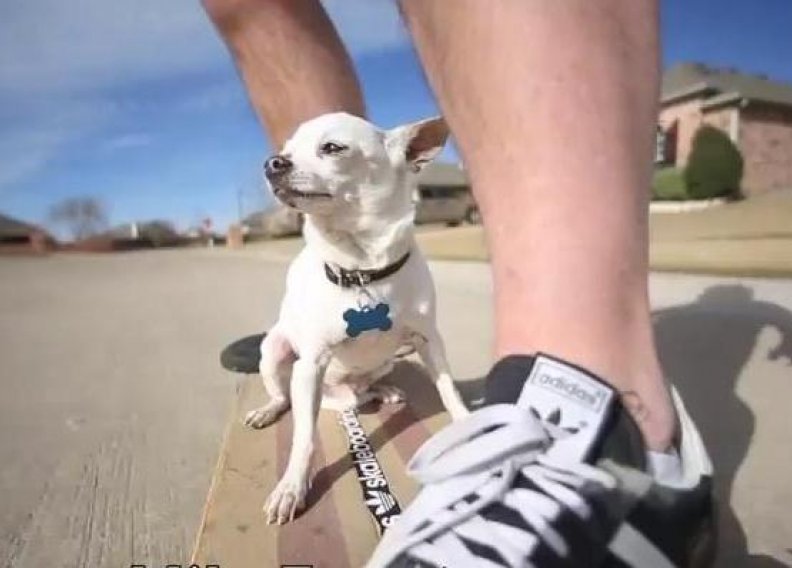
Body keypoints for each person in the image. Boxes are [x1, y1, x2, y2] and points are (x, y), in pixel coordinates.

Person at [203, 1, 715, 566]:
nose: (278, 164)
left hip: (388, 295)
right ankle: (294, 380)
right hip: (323, 314)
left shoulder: (406, 187)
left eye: (329, 149)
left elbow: (430, 345)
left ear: (412, 156)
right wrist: (298, 467)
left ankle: (595, 399)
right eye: (288, 155)